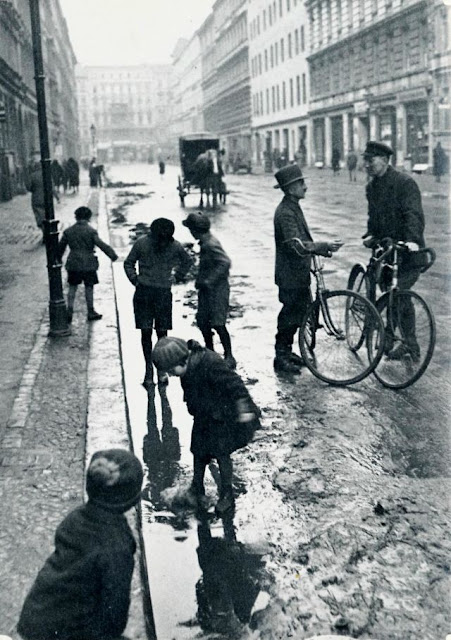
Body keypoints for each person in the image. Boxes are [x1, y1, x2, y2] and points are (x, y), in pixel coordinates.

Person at [17, 448, 143, 640]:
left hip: (36, 615)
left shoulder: (76, 517)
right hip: (64, 632)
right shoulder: (117, 546)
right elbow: (115, 614)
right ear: (131, 499)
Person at [151, 337, 260, 514]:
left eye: (171, 370)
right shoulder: (187, 365)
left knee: (222, 454)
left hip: (223, 416)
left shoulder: (211, 363)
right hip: (204, 414)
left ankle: (227, 494)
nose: (171, 375)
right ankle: (197, 487)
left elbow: (236, 385)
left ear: (182, 360)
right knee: (198, 451)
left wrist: (244, 410)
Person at [273, 164, 343, 373]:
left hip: (297, 273)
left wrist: (320, 249)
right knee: (289, 314)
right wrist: (323, 246)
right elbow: (296, 245)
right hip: (289, 274)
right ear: (290, 188)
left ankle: (287, 351)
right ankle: (281, 355)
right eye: (301, 183)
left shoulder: (292, 206)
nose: (305, 187)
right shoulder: (286, 212)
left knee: (298, 313)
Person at [362, 140, 426, 361]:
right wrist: (371, 234)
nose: (367, 165)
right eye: (365, 160)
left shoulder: (405, 183)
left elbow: (413, 215)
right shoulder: (371, 187)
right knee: (397, 297)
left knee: (399, 294)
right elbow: (374, 217)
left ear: (385, 160)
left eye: (370, 160)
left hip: (407, 253)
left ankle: (391, 338)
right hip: (386, 253)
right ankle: (408, 344)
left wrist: (412, 241)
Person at [123, 217, 193, 388]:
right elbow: (129, 263)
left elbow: (129, 263)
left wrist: (135, 279)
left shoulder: (152, 243)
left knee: (157, 333)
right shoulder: (152, 244)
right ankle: (152, 370)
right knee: (150, 332)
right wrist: (135, 279)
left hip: (153, 292)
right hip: (150, 292)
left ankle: (157, 370)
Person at [182, 212, 236, 369]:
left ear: (195, 230)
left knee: (218, 323)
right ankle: (211, 352)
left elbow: (225, 262)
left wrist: (209, 280)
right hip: (208, 290)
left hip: (217, 290)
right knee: (203, 321)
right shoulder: (205, 242)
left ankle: (229, 356)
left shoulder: (210, 244)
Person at [58, 206, 118, 323]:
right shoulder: (91, 231)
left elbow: (61, 247)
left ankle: (69, 310)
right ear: (88, 217)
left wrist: (58, 259)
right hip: (88, 263)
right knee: (89, 287)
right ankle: (90, 311)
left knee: (72, 287)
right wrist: (112, 255)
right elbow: (101, 245)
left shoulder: (68, 231)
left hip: (74, 262)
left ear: (76, 217)